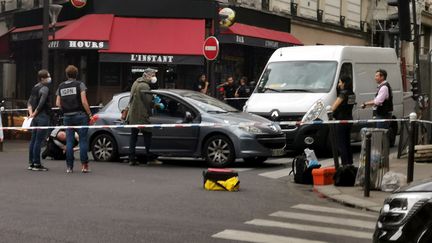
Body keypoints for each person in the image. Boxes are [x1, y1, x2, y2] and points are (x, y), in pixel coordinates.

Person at [56, 65, 92, 173]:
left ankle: (69, 167)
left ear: (67, 75)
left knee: (69, 141)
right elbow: (84, 101)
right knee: (83, 140)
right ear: (76, 74)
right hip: (80, 115)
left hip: (67, 116)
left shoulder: (61, 86)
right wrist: (89, 113)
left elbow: (57, 103)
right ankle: (84, 166)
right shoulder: (80, 85)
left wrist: (65, 110)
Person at [124, 68, 156, 166]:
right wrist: (156, 105)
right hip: (141, 115)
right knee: (148, 134)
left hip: (133, 115)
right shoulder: (145, 86)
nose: (154, 77)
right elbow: (148, 102)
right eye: (152, 75)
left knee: (133, 136)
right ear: (147, 75)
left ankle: (131, 158)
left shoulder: (136, 83)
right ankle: (149, 158)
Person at [27, 69, 52, 171]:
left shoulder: (35, 87)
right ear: (42, 78)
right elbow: (41, 104)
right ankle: (37, 163)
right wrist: (35, 113)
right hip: (42, 116)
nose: (49, 78)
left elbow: (29, 102)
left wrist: (31, 114)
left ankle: (31, 162)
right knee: (39, 140)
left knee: (33, 139)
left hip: (35, 118)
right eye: (48, 76)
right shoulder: (44, 89)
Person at [331, 76, 356, 166]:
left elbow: (333, 107)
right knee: (347, 142)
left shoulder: (343, 94)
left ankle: (344, 164)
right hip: (349, 119)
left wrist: (329, 111)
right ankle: (350, 163)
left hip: (341, 120)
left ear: (344, 83)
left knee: (341, 144)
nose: (339, 84)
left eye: (340, 82)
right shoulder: (352, 93)